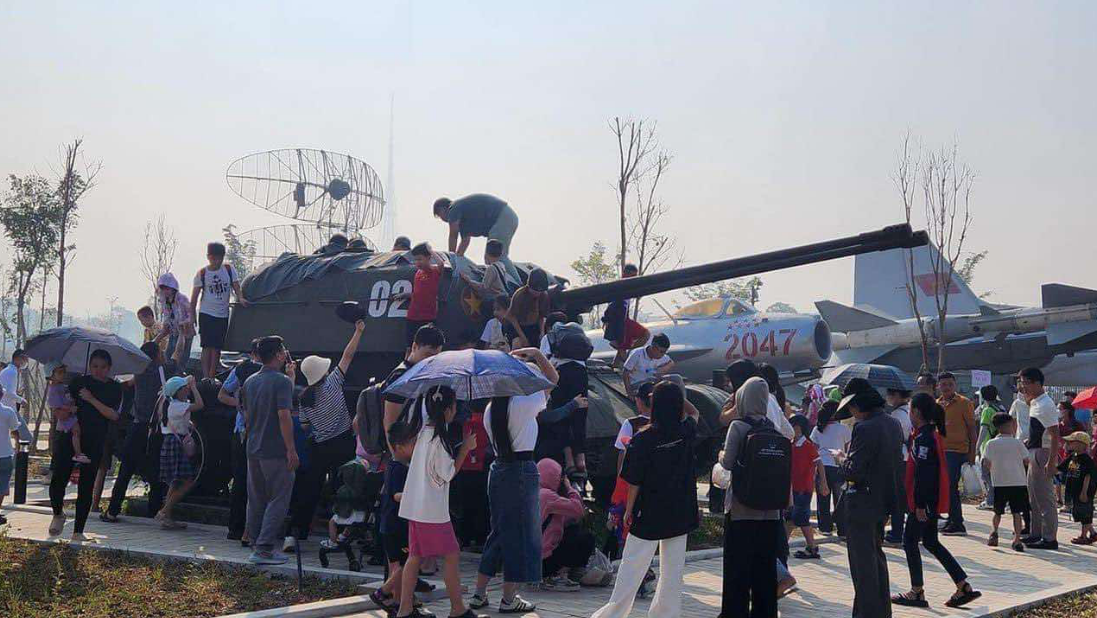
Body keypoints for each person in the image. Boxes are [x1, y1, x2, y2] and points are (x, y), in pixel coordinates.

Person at [593, 380, 699, 618]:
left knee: (632, 566)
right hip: (681, 509)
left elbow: (634, 481)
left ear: (654, 405)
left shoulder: (643, 439)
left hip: (649, 511)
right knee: (673, 570)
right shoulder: (686, 432)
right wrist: (679, 396)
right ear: (678, 405)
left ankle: (614, 613)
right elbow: (695, 412)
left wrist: (629, 511)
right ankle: (666, 613)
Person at [471, 348, 559, 614]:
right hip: (521, 469)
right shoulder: (526, 401)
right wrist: (535, 354)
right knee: (521, 534)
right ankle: (509, 599)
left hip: (498, 469)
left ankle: (479, 593)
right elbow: (553, 378)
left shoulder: (490, 408)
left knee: (498, 532)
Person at [395, 385, 486, 618]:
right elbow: (447, 474)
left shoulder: (426, 432)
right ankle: (456, 609)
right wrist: (465, 449)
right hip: (431, 511)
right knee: (451, 554)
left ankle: (405, 609)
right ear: (448, 409)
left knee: (415, 557)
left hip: (418, 508)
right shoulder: (440, 438)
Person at [891, 393, 982, 609]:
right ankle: (963, 586)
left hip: (924, 502)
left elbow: (925, 474)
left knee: (909, 542)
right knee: (931, 542)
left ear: (916, 412)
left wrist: (921, 505)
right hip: (928, 501)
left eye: (911, 409)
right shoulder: (928, 434)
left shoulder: (924, 438)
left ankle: (917, 591)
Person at [285, 321, 365, 551]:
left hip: (319, 447)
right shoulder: (333, 382)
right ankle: (342, 532)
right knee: (346, 488)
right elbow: (348, 355)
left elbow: (304, 426)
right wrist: (358, 331)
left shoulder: (304, 398)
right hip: (343, 444)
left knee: (308, 490)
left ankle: (294, 533)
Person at [719, 376, 786, 617]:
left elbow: (727, 463)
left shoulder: (738, 426)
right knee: (765, 570)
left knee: (737, 569)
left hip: (741, 510)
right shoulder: (774, 428)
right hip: (770, 513)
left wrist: (719, 455)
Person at [834, 378, 899, 618]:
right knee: (877, 561)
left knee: (863, 568)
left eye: (851, 408)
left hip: (861, 502)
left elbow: (854, 471)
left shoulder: (864, 428)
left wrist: (841, 458)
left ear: (858, 405)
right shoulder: (892, 424)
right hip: (882, 501)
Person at [48, 349, 123, 541]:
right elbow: (61, 404)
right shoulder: (78, 382)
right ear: (89, 366)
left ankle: (78, 531)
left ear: (109, 368)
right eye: (95, 366)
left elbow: (113, 415)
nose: (98, 370)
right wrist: (62, 411)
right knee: (59, 478)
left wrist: (91, 399)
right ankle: (58, 512)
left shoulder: (115, 388)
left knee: (86, 484)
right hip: (69, 435)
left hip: (95, 439)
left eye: (103, 367)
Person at [103, 343, 181, 522]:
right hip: (156, 428)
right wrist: (181, 337)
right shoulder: (164, 370)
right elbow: (178, 355)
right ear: (157, 356)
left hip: (137, 426)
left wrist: (159, 337)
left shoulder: (138, 371)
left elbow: (132, 373)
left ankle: (113, 510)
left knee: (126, 469)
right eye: (161, 352)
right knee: (156, 471)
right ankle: (153, 511)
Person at [241, 336, 299, 565]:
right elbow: (284, 415)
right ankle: (265, 548)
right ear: (277, 355)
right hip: (274, 449)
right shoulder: (281, 382)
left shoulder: (250, 381)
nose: (285, 353)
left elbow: (247, 416)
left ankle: (256, 543)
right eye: (283, 350)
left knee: (256, 498)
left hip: (253, 447)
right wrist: (291, 450)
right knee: (279, 497)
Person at [218, 338, 263, 542]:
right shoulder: (264, 372)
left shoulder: (241, 369)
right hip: (254, 431)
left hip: (241, 429)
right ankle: (247, 528)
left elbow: (222, 394)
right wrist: (243, 405)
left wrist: (239, 404)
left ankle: (236, 528)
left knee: (241, 480)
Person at [370, 421, 418, 612]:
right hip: (396, 526)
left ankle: (398, 602)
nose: (415, 447)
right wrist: (416, 497)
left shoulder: (394, 466)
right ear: (399, 447)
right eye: (412, 443)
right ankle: (383, 592)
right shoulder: (398, 469)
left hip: (390, 525)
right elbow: (396, 495)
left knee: (399, 563)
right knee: (408, 563)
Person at [191, 242, 248, 378]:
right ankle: (206, 376)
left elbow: (236, 286)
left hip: (222, 314)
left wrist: (240, 298)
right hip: (206, 312)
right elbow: (194, 298)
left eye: (220, 258)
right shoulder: (202, 273)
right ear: (208, 257)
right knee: (206, 346)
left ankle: (211, 375)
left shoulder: (228, 269)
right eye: (214, 258)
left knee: (216, 347)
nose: (217, 261)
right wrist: (192, 316)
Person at [1019, 366, 1061, 550]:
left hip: (1043, 453)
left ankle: (1050, 538)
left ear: (1038, 383)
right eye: (1021, 382)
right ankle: (1036, 533)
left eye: (1026, 383)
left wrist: (1052, 462)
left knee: (1045, 498)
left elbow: (1054, 435)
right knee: (1033, 497)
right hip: (1034, 450)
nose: (1023, 387)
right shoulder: (1035, 401)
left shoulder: (1046, 404)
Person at [156, 375, 204, 529]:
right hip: (175, 443)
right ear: (178, 391)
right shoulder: (176, 405)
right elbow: (200, 405)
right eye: (185, 388)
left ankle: (166, 516)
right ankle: (164, 511)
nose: (188, 389)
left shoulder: (174, 404)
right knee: (187, 481)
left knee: (175, 481)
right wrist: (195, 387)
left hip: (173, 442)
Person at [383, 325, 446, 441]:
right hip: (400, 450)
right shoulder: (400, 377)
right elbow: (390, 423)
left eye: (436, 357)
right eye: (427, 355)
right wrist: (396, 456)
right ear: (414, 347)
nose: (430, 361)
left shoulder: (421, 375)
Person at [538, 458, 593, 592]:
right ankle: (556, 575)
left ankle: (560, 572)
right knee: (585, 537)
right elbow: (578, 510)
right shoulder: (547, 495)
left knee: (573, 529)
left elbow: (565, 519)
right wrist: (569, 488)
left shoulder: (534, 491)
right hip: (543, 560)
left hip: (531, 556)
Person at [983, 413, 1030, 551]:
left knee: (997, 512)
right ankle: (1016, 540)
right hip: (1018, 481)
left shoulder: (990, 443)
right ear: (1009, 426)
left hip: (999, 482)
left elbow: (986, 462)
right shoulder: (1017, 443)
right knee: (1017, 512)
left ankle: (994, 532)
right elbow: (1027, 460)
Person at [936, 372, 977, 536]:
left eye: (950, 384)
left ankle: (958, 523)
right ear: (939, 386)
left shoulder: (964, 403)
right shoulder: (937, 404)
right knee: (946, 488)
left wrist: (972, 454)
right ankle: (952, 518)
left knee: (951, 487)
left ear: (955, 385)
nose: (946, 387)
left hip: (957, 451)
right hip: (941, 451)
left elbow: (972, 430)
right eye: (943, 384)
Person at [433, 194, 519, 268]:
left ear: (442, 210)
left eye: (440, 216)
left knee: (495, 257)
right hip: (506, 217)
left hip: (501, 217)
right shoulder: (463, 220)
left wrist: (451, 259)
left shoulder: (453, 209)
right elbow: (465, 241)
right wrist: (458, 258)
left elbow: (453, 236)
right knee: (491, 259)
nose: (443, 220)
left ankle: (517, 283)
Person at [789, 414, 828, 559]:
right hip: (793, 488)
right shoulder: (792, 444)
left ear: (798, 428)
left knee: (801, 519)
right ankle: (782, 546)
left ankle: (812, 547)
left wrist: (823, 482)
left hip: (803, 488)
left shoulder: (807, 445)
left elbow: (819, 463)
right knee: (790, 517)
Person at [810, 400, 851, 537]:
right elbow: (846, 450)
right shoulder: (843, 429)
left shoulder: (817, 429)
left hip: (822, 466)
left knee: (823, 499)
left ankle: (825, 528)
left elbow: (814, 451)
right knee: (839, 500)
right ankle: (842, 529)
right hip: (838, 466)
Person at [395, 243, 445, 347]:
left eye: (420, 259)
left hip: (427, 316)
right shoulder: (418, 273)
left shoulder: (434, 271)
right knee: (410, 346)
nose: (417, 262)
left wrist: (430, 250)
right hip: (413, 316)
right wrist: (405, 294)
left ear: (428, 258)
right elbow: (419, 293)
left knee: (427, 346)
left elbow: (441, 264)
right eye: (415, 260)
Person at [602, 264, 648, 367]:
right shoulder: (619, 286)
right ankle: (625, 360)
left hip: (623, 318)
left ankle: (617, 361)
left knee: (640, 337)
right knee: (623, 343)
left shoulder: (629, 287)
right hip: (618, 319)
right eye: (631, 276)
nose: (632, 279)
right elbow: (613, 306)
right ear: (624, 274)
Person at [884, 387, 914, 545]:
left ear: (897, 396)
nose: (888, 397)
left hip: (898, 457)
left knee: (896, 498)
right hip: (908, 456)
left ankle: (896, 533)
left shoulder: (896, 415)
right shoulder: (909, 411)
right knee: (903, 496)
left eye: (890, 395)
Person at [45, 363, 90, 465]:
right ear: (51, 375)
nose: (63, 375)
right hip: (66, 414)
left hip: (70, 413)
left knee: (76, 431)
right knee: (76, 431)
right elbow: (56, 405)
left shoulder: (62, 386)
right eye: (60, 372)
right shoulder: (53, 389)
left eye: (64, 372)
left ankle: (78, 453)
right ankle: (78, 454)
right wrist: (69, 409)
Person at [1059, 431, 1095, 544]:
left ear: (1081, 444)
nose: (1068, 443)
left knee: (1084, 514)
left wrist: (1084, 492)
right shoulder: (1073, 457)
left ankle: (1084, 536)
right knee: (1079, 513)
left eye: (1071, 442)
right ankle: (1093, 534)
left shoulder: (1086, 459)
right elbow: (1061, 468)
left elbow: (1088, 476)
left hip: (1083, 491)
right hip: (1074, 491)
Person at [976, 385, 1008, 512]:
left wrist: (977, 447)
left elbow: (983, 430)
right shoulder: (1001, 407)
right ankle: (999, 500)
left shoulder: (987, 410)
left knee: (987, 475)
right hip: (1001, 444)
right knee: (997, 475)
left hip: (988, 446)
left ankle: (990, 500)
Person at [154, 273, 196, 364]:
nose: (165, 291)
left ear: (173, 288)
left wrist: (184, 322)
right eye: (163, 289)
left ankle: (179, 373)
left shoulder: (182, 299)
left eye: (167, 288)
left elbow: (191, 314)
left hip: (185, 332)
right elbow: (166, 315)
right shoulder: (164, 301)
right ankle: (169, 373)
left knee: (182, 356)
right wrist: (165, 325)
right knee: (168, 354)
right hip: (173, 331)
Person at [508, 268, 551, 348]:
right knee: (518, 343)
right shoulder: (519, 295)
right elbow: (512, 317)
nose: (537, 293)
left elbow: (542, 316)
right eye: (535, 290)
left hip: (533, 325)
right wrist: (523, 337)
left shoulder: (544, 296)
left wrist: (542, 333)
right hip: (518, 326)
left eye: (540, 291)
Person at [621, 333, 674, 397]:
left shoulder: (661, 356)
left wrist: (665, 368)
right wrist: (629, 392)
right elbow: (625, 372)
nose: (663, 354)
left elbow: (671, 362)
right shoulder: (637, 353)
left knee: (677, 379)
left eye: (665, 352)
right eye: (662, 352)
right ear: (654, 347)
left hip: (653, 381)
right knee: (654, 389)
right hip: (637, 383)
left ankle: (681, 403)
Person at [0, 387, 24, 524]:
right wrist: (18, 445)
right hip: (4, 454)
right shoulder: (8, 412)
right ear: (2, 395)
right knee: (2, 485)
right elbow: (15, 431)